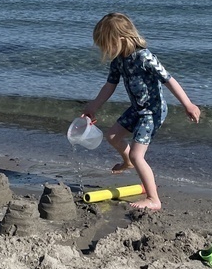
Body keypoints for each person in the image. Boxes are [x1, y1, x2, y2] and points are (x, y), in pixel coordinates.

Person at [82, 12, 201, 211]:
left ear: (121, 39)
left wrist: (188, 104)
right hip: (137, 109)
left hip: (152, 112)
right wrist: (93, 106)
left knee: (139, 156)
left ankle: (154, 199)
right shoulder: (118, 61)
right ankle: (127, 161)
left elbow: (169, 80)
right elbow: (109, 86)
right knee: (112, 136)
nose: (106, 50)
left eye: (107, 44)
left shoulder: (144, 57)